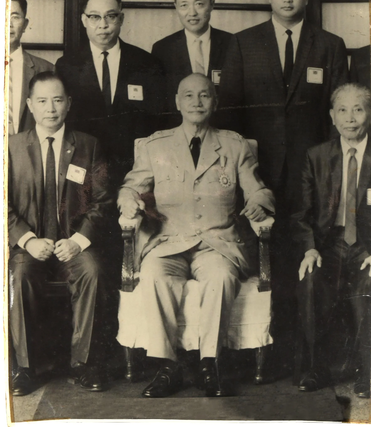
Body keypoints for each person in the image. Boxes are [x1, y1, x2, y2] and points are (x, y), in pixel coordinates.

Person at [218, 0, 349, 372]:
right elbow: (230, 110)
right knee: (262, 252)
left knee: (306, 250)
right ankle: (262, 349)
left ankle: (302, 352)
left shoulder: (329, 45)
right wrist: (241, 169)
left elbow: (337, 111)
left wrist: (331, 169)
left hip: (312, 171)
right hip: (256, 169)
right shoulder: (244, 42)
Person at [117, 73, 275, 398]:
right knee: (153, 275)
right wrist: (128, 199)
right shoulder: (155, 145)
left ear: (214, 102)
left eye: (204, 96)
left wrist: (259, 203)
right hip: (168, 241)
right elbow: (130, 187)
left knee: (221, 278)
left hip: (216, 243)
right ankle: (167, 366)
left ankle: (209, 364)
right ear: (177, 102)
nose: (197, 102)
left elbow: (258, 190)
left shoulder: (234, 145)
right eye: (189, 96)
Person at [8, 72, 113, 396]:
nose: (50, 108)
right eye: (42, 101)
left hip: (74, 244)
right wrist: (28, 239)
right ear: (29, 105)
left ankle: (85, 364)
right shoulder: (11, 147)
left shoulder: (88, 145)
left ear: (68, 103)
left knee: (93, 271)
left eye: (57, 100)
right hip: (32, 245)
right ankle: (27, 368)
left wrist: (78, 241)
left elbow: (102, 201)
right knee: (22, 275)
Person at [292, 83, 371, 398]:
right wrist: (310, 248)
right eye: (343, 110)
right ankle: (316, 368)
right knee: (311, 279)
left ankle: (367, 373)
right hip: (329, 244)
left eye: (358, 109)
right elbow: (301, 213)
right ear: (331, 115)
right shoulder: (317, 156)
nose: (350, 118)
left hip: (369, 246)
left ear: (370, 113)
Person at [55, 0, 165, 188]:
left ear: (121, 18)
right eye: (95, 17)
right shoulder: (67, 66)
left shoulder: (146, 63)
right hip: (83, 166)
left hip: (134, 170)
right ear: (84, 20)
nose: (103, 25)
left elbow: (156, 122)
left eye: (110, 16)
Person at [152, 0, 232, 126]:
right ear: (176, 7)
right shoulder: (162, 49)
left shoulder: (232, 44)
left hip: (224, 132)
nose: (192, 12)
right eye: (184, 5)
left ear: (212, 4)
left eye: (199, 4)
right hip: (178, 135)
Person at [9, 0, 54, 135]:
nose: (8, 23)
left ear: (25, 24)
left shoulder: (45, 69)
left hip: (29, 154)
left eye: (15, 17)